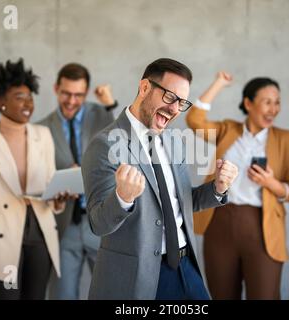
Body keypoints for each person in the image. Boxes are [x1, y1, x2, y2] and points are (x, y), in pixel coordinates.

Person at [82, 58, 239, 299]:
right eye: (170, 97)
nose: (176, 109)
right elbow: (98, 223)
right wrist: (122, 198)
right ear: (145, 88)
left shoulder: (173, 139)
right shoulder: (104, 144)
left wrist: (218, 188)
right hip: (139, 275)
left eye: (182, 102)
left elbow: (183, 201)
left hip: (186, 267)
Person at [0, 58, 72, 299]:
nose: (28, 103)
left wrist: (59, 200)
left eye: (30, 97)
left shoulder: (43, 135)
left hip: (39, 227)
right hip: (1, 229)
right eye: (20, 97)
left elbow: (49, 183)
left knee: (36, 296)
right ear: (1, 102)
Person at [186, 72, 289, 299]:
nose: (274, 109)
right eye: (267, 102)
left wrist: (272, 183)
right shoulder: (228, 130)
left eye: (277, 102)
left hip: (263, 227)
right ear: (248, 103)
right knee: (221, 295)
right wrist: (219, 83)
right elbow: (194, 121)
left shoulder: (285, 138)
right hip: (219, 222)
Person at [39, 63, 118, 299]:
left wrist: (110, 104)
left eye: (79, 95)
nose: (72, 101)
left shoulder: (104, 114)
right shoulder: (41, 129)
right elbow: (37, 176)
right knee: (62, 294)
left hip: (101, 222)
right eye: (66, 93)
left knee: (111, 292)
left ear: (86, 92)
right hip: (64, 226)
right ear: (56, 88)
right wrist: (60, 179)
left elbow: (126, 141)